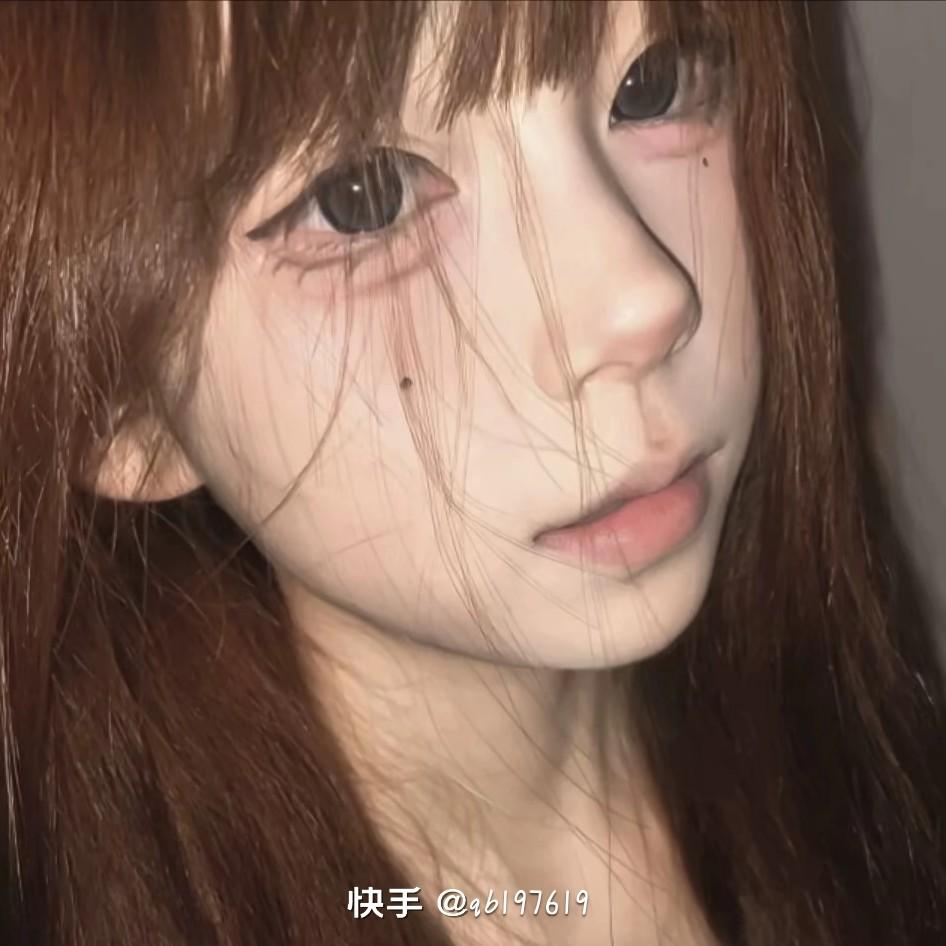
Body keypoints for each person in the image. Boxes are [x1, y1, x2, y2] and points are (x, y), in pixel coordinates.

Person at [2, 1, 943, 944]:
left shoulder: (862, 778)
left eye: (651, 85)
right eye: (363, 198)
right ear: (121, 402)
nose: (643, 301)